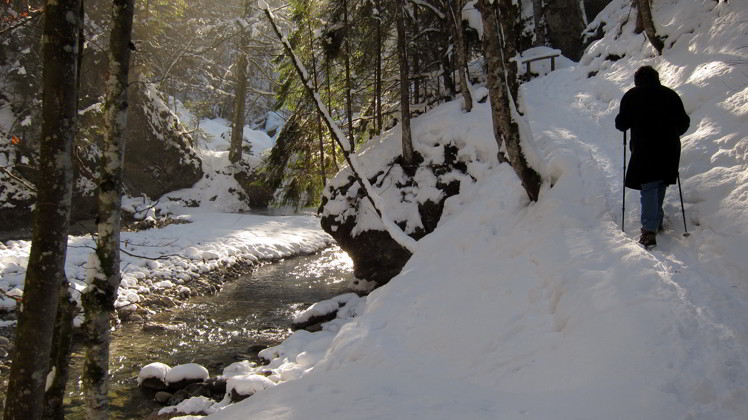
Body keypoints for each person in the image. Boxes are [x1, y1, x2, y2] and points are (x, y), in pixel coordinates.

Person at [615, 66, 690, 248]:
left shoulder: (632, 95)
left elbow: (621, 124)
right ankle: (656, 219)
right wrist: (673, 133)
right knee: (661, 181)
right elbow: (684, 123)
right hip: (669, 147)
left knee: (649, 184)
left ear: (637, 80)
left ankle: (649, 229)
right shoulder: (670, 95)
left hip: (644, 147)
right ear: (657, 78)